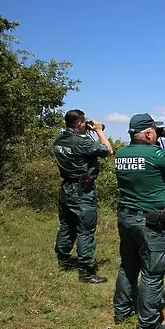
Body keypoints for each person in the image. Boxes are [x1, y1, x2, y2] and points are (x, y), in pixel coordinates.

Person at [112, 113, 165, 329]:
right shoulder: (154, 153)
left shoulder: (121, 153)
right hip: (150, 221)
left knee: (128, 265)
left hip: (126, 217)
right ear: (148, 133)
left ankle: (122, 311)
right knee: (152, 272)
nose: (158, 133)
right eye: (155, 131)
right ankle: (148, 325)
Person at [53, 109, 113, 283]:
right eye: (84, 122)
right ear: (79, 123)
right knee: (85, 230)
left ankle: (63, 262)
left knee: (66, 226)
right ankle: (86, 272)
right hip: (82, 191)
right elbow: (108, 151)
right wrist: (99, 131)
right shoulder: (83, 143)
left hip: (66, 188)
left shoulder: (60, 139)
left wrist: (87, 131)